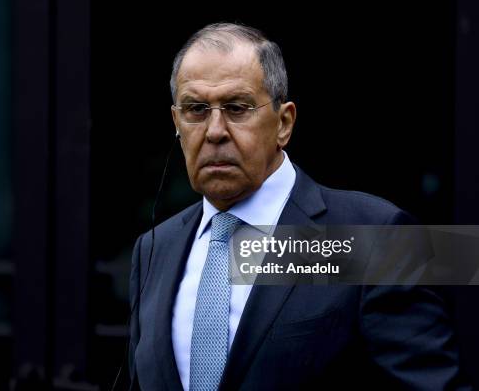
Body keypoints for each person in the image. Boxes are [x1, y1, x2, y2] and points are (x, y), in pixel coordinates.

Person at [128, 23, 469, 390]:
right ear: (176, 122)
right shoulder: (153, 249)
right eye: (196, 109)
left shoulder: (372, 235)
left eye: (237, 108)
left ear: (284, 123)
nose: (214, 131)